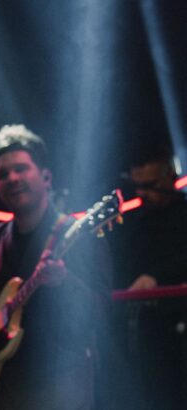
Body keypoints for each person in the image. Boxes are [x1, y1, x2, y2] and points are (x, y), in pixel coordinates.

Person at [0, 125, 112, 409]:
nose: (12, 178)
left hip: (60, 387)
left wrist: (64, 282)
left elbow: (101, 312)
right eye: (2, 174)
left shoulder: (80, 236)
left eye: (21, 168)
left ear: (46, 177)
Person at [110, 148, 187, 409]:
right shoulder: (134, 222)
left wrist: (157, 277)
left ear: (169, 176)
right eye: (138, 186)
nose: (142, 193)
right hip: (141, 331)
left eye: (150, 185)